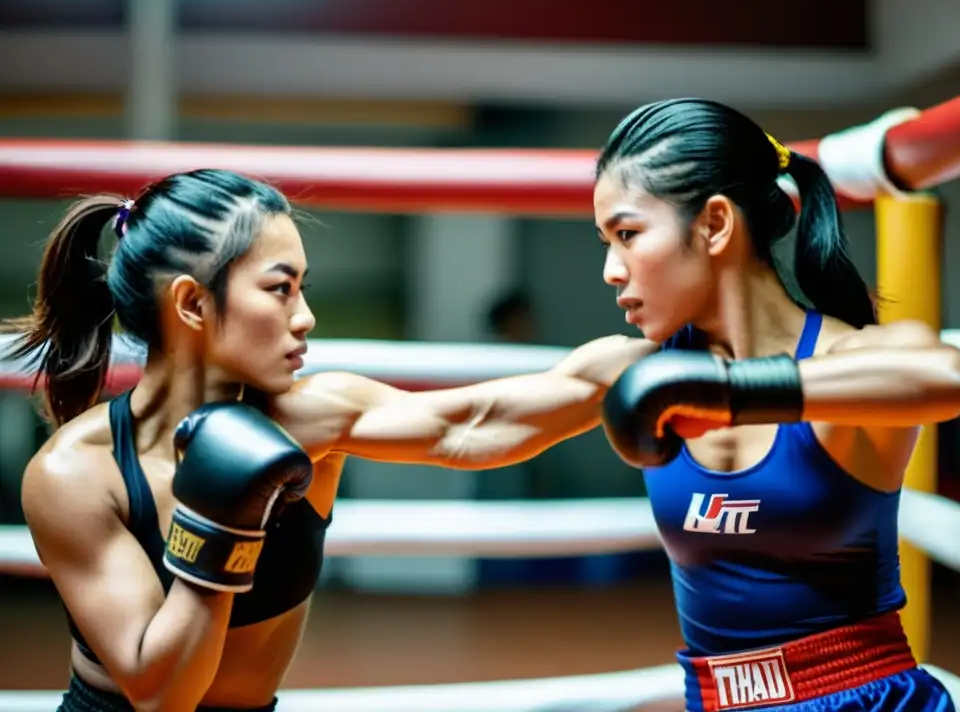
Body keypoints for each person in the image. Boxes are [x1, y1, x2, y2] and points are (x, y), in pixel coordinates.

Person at [6, 169, 657, 712]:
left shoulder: (313, 416)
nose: (305, 317)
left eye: (303, 289)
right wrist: (219, 520)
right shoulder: (76, 474)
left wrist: (677, 352)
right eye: (279, 289)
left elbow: (479, 422)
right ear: (193, 305)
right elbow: (163, 692)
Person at [592, 99, 960, 711]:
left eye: (628, 235)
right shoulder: (637, 370)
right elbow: (459, 424)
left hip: (864, 699)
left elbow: (945, 375)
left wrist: (732, 393)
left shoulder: (851, 360)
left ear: (714, 224)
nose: (612, 270)